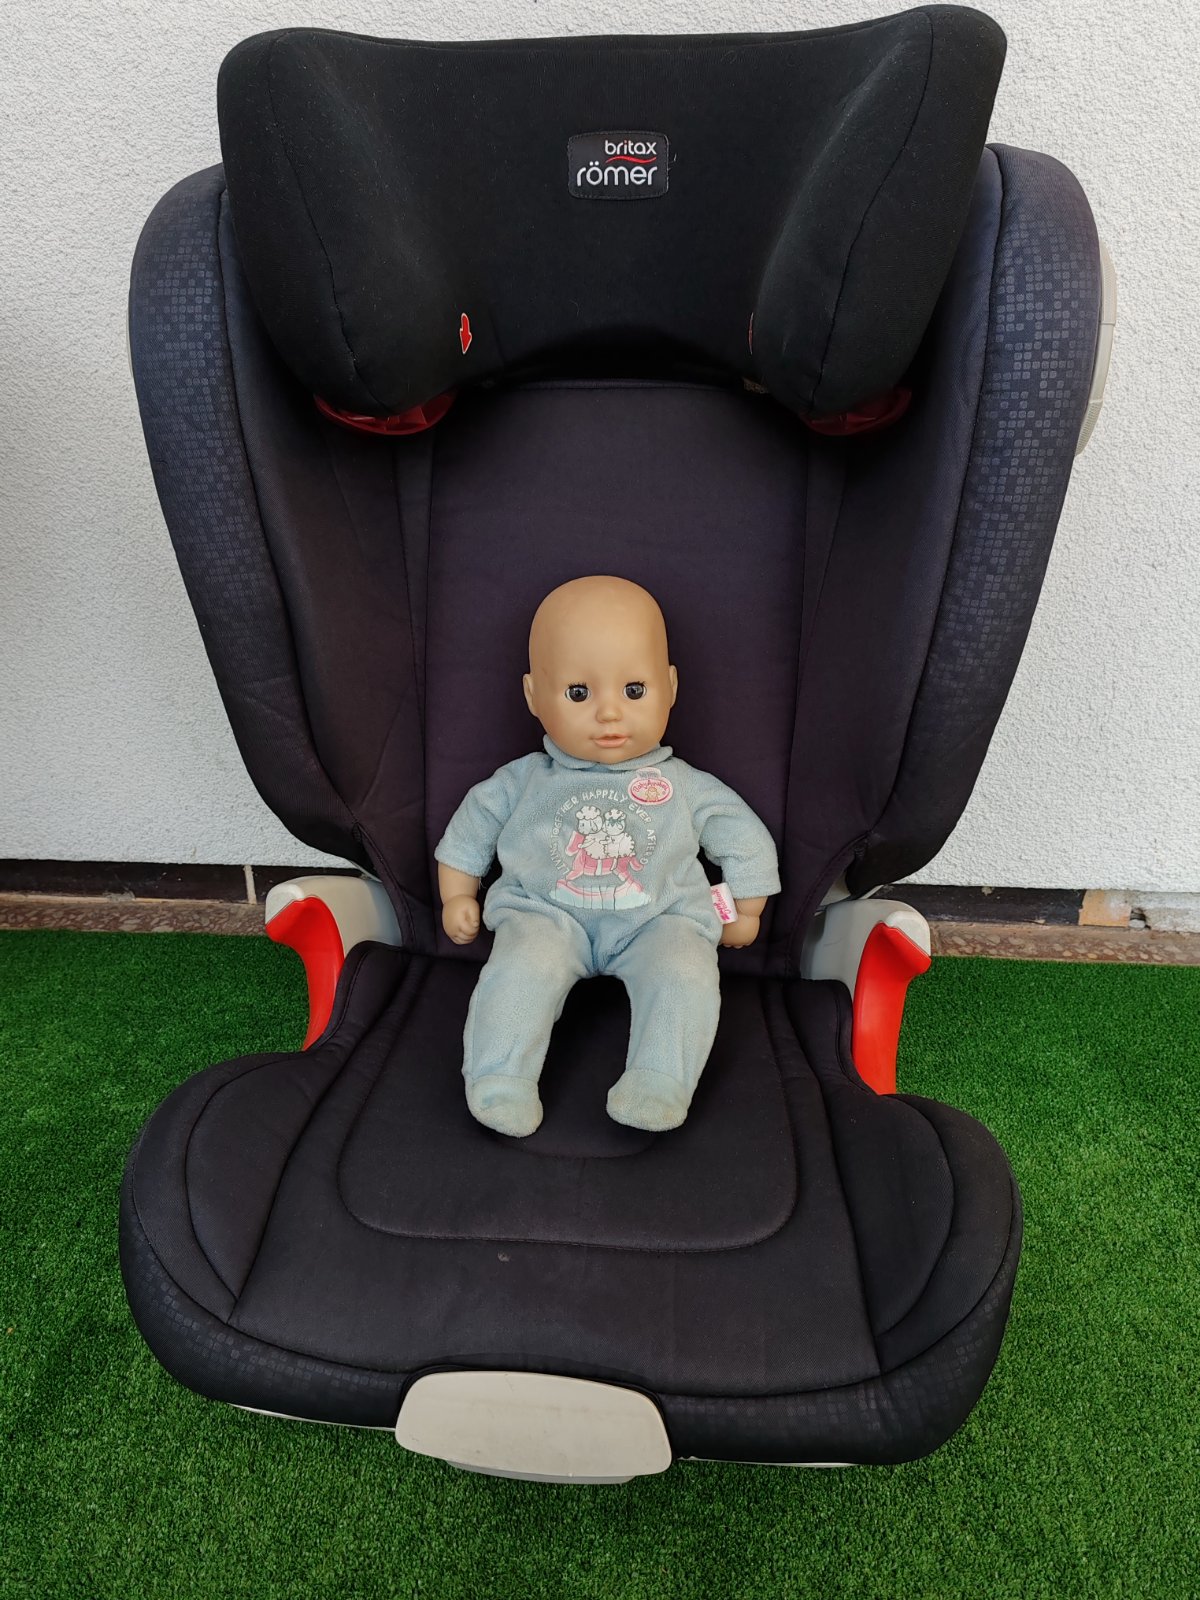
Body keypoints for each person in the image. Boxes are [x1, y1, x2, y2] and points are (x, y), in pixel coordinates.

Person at [435, 575, 780, 1136]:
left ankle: (659, 1081)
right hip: (546, 913)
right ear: (533, 697)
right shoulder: (523, 781)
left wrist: (746, 909)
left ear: (670, 687)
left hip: (660, 917)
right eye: (579, 693)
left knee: (684, 972)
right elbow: (470, 829)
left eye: (634, 690)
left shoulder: (684, 785)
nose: (610, 714)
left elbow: (741, 836)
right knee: (519, 971)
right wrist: (457, 894)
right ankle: (500, 1078)